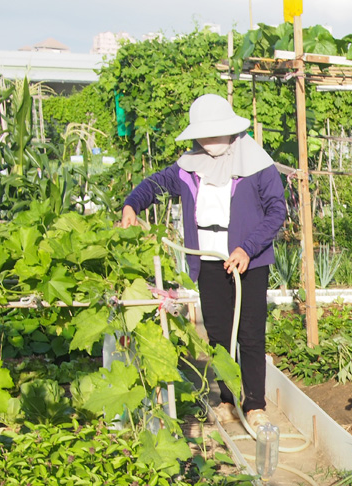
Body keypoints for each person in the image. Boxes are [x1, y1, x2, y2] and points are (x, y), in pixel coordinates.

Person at [121, 93, 286, 428]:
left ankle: (254, 405)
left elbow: (276, 211)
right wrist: (130, 205)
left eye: (215, 133)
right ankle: (226, 399)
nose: (208, 140)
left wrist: (247, 248)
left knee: (251, 334)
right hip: (207, 260)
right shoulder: (188, 168)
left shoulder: (257, 165)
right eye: (203, 134)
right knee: (219, 335)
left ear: (230, 129)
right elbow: (153, 185)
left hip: (247, 262)